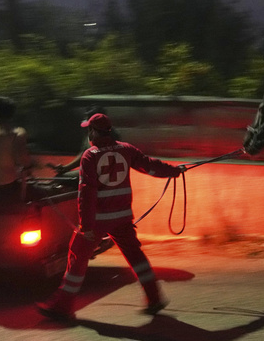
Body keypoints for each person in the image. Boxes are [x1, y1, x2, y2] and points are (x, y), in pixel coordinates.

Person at [37, 113, 185, 321]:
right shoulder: (126, 149)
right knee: (136, 257)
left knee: (77, 258)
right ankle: (154, 298)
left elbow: (87, 192)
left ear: (95, 132)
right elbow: (149, 165)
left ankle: (62, 305)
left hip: (98, 219)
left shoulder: (91, 155)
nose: (88, 133)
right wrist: (173, 171)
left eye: (89, 129)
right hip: (122, 217)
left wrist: (86, 226)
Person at [49, 105, 117, 177]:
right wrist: (66, 168)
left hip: (102, 173)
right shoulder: (91, 132)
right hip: (92, 170)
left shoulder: (110, 135)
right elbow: (83, 155)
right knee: (60, 177)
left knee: (62, 178)